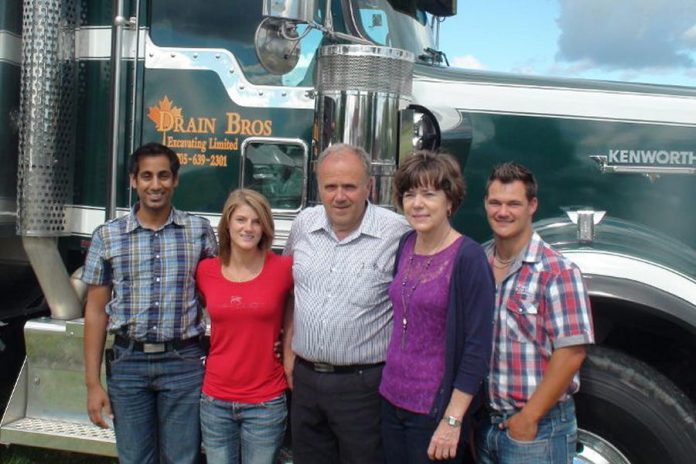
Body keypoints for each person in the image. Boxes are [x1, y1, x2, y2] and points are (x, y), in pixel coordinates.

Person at [82, 142, 217, 464]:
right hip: (128, 363)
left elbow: (216, 298)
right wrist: (92, 384)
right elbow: (95, 311)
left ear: (176, 180)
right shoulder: (108, 236)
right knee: (134, 458)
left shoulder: (198, 231)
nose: (155, 185)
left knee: (182, 458)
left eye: (163, 176)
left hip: (183, 362)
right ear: (133, 180)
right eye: (146, 176)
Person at [282, 143, 410, 464]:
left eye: (350, 186)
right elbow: (291, 294)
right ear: (319, 187)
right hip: (306, 382)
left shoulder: (398, 233)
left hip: (364, 387)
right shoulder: (303, 226)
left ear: (369, 186)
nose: (340, 196)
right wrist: (287, 353)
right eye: (331, 186)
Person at [379, 151, 495, 463]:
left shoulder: (468, 258)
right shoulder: (405, 244)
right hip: (391, 401)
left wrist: (453, 420)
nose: (417, 204)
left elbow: (477, 347)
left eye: (429, 194)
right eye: (409, 194)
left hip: (434, 411)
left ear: (450, 201)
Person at [476, 162, 595, 464]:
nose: (503, 212)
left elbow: (571, 353)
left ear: (532, 206)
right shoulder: (478, 262)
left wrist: (529, 418)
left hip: (538, 429)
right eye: (495, 203)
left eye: (513, 204)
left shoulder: (557, 271)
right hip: (486, 425)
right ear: (485, 204)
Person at [195, 189, 293, 464]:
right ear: (227, 224)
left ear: (265, 227)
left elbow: (300, 308)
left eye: (256, 221)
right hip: (215, 398)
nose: (248, 228)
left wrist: (287, 340)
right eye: (240, 220)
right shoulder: (205, 271)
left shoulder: (284, 269)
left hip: (265, 399)